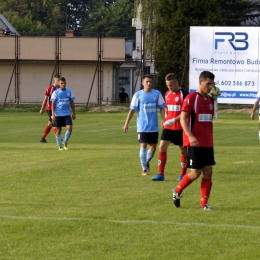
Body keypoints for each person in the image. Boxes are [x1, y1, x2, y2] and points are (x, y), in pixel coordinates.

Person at [173, 71, 215, 210]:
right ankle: (177, 190)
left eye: (212, 83)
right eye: (208, 83)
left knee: (208, 171)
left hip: (207, 142)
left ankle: (204, 204)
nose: (211, 86)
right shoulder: (191, 98)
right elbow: (183, 119)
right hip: (194, 142)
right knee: (195, 173)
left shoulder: (209, 100)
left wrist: (211, 139)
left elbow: (208, 122)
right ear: (200, 82)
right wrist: (190, 136)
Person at [123, 74, 166, 175]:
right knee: (143, 146)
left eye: (150, 82)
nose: (149, 83)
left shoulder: (157, 93)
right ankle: (144, 169)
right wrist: (126, 124)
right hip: (142, 126)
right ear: (142, 83)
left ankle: (145, 162)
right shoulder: (138, 95)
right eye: (147, 82)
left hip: (154, 126)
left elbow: (162, 108)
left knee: (153, 147)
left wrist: (164, 120)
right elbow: (132, 110)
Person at [151, 73, 189, 181]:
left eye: (171, 85)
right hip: (169, 127)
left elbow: (186, 112)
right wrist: (165, 120)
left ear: (177, 83)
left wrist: (174, 119)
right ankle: (160, 174)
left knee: (182, 150)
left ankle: (182, 175)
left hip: (181, 127)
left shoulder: (184, 94)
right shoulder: (167, 94)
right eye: (168, 85)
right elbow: (167, 109)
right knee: (162, 147)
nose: (169, 87)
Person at [50, 77, 76, 150]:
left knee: (70, 128)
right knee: (58, 130)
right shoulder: (55, 92)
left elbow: (72, 103)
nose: (63, 84)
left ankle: (65, 142)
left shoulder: (69, 91)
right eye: (61, 83)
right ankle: (60, 146)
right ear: (59, 84)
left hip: (67, 114)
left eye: (64, 83)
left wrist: (74, 113)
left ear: (66, 83)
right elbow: (53, 104)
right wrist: (53, 115)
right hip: (58, 114)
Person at [39, 74, 60, 143]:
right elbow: (45, 99)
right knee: (54, 122)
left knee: (50, 123)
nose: (59, 81)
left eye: (59, 80)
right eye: (58, 80)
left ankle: (42, 138)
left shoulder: (59, 89)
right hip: (49, 108)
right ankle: (59, 139)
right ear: (54, 80)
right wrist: (42, 108)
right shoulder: (50, 88)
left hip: (56, 109)